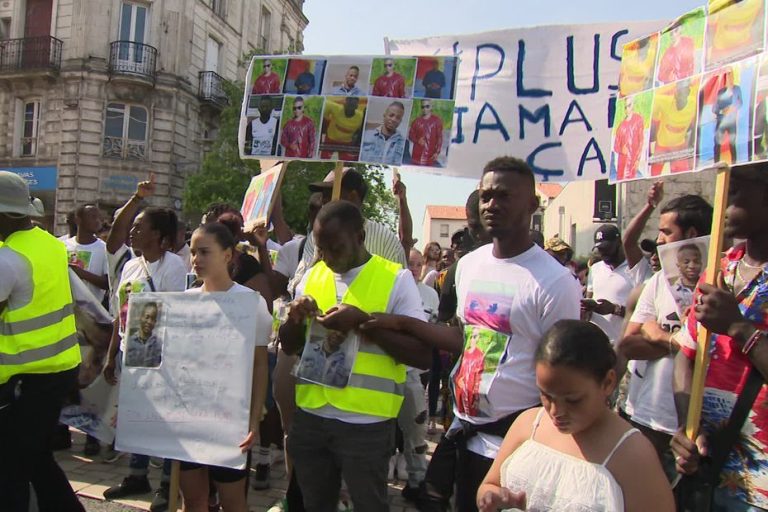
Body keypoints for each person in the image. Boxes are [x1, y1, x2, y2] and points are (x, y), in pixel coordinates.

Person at [421, 157, 582, 512]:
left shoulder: (555, 282)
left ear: (532, 205)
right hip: (464, 434)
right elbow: (467, 339)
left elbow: (564, 374)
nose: (492, 204)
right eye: (486, 195)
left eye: (505, 196)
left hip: (515, 447)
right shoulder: (468, 266)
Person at [279, 200, 430, 511]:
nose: (328, 258)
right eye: (321, 249)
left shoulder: (396, 279)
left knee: (369, 505)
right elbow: (290, 345)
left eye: (336, 248)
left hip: (366, 424)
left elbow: (422, 355)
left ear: (360, 237)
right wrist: (293, 318)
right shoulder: (312, 275)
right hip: (312, 417)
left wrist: (362, 322)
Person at [476, 320, 674, 512]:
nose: (556, 411)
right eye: (546, 395)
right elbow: (489, 485)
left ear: (607, 383)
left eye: (572, 400)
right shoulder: (528, 423)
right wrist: (492, 497)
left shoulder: (634, 454)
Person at [671, 164, 768, 510]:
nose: (724, 204)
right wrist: (687, 427)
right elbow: (687, 353)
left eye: (737, 191)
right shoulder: (719, 268)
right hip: (709, 472)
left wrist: (739, 327)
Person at [0, 171, 85, 512]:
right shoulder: (49, 244)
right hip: (60, 367)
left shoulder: (9, 260)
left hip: (24, 378)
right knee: (33, 456)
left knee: (11, 468)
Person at [618, 193, 712, 483]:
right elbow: (629, 344)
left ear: (692, 235)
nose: (659, 240)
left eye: (666, 232)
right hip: (644, 417)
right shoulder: (658, 282)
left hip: (695, 433)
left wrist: (659, 331)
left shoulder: (721, 282)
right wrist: (676, 341)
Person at [179, 222, 271, 512]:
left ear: (228, 255)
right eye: (193, 252)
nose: (196, 259)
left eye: (205, 252)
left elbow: (259, 366)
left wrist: (254, 420)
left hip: (231, 421)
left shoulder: (250, 304)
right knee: (193, 501)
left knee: (233, 503)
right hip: (188, 418)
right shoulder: (184, 303)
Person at [102, 205, 187, 507]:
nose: (133, 231)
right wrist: (112, 354)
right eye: (133, 226)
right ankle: (137, 475)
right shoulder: (130, 266)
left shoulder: (173, 267)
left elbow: (173, 315)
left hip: (158, 355)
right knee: (134, 415)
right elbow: (119, 315)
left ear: (159, 236)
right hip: (129, 350)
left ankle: (166, 483)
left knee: (162, 418)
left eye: (140, 227)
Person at [583, 224, 651, 345]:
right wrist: (587, 308)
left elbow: (646, 311)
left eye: (607, 248)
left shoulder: (636, 269)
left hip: (625, 343)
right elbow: (590, 298)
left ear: (619, 243)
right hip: (597, 342)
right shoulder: (595, 269)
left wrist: (615, 309)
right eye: (600, 249)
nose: (603, 253)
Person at [649, 80, 697, 175]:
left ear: (688, 93)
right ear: (675, 94)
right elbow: (653, 121)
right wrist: (649, 148)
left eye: (682, 94)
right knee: (654, 174)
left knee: (683, 175)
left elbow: (694, 124)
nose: (679, 97)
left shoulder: (693, 104)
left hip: (679, 146)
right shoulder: (663, 102)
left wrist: (692, 145)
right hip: (662, 145)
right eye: (677, 93)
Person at [66, 203, 109, 303]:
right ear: (78, 220)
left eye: (99, 217)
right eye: (93, 217)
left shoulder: (104, 249)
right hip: (66, 308)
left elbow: (107, 283)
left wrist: (81, 273)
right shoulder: (63, 245)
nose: (98, 221)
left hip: (91, 310)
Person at [360, 101, 407, 165]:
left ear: (400, 121)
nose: (393, 119)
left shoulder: (405, 144)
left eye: (398, 118)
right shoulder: (365, 135)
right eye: (391, 115)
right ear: (384, 115)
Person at [613, 95, 646, 181]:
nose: (627, 109)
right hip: (622, 164)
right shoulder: (621, 126)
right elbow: (615, 146)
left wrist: (638, 160)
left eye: (629, 105)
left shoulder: (638, 120)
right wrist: (621, 150)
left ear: (633, 105)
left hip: (632, 164)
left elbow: (641, 140)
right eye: (625, 107)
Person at [124, 302, 162, 368]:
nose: (149, 322)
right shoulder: (129, 342)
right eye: (147, 317)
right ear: (140, 317)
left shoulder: (159, 345)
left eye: (153, 319)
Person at [408, 99, 444, 167]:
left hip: (430, 157)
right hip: (416, 157)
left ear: (431, 107)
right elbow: (410, 135)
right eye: (423, 107)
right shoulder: (416, 121)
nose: (425, 109)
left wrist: (437, 152)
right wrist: (417, 140)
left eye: (427, 106)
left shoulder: (436, 121)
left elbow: (439, 138)